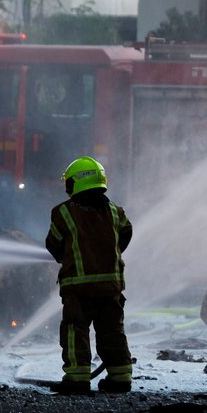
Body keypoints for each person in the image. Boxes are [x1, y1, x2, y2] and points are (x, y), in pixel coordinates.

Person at [44, 156, 133, 394]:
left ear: (74, 184)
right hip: (110, 286)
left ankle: (77, 378)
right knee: (112, 331)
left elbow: (54, 244)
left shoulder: (63, 213)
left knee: (76, 330)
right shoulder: (115, 211)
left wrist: (71, 255)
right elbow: (126, 233)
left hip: (78, 288)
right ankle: (121, 377)